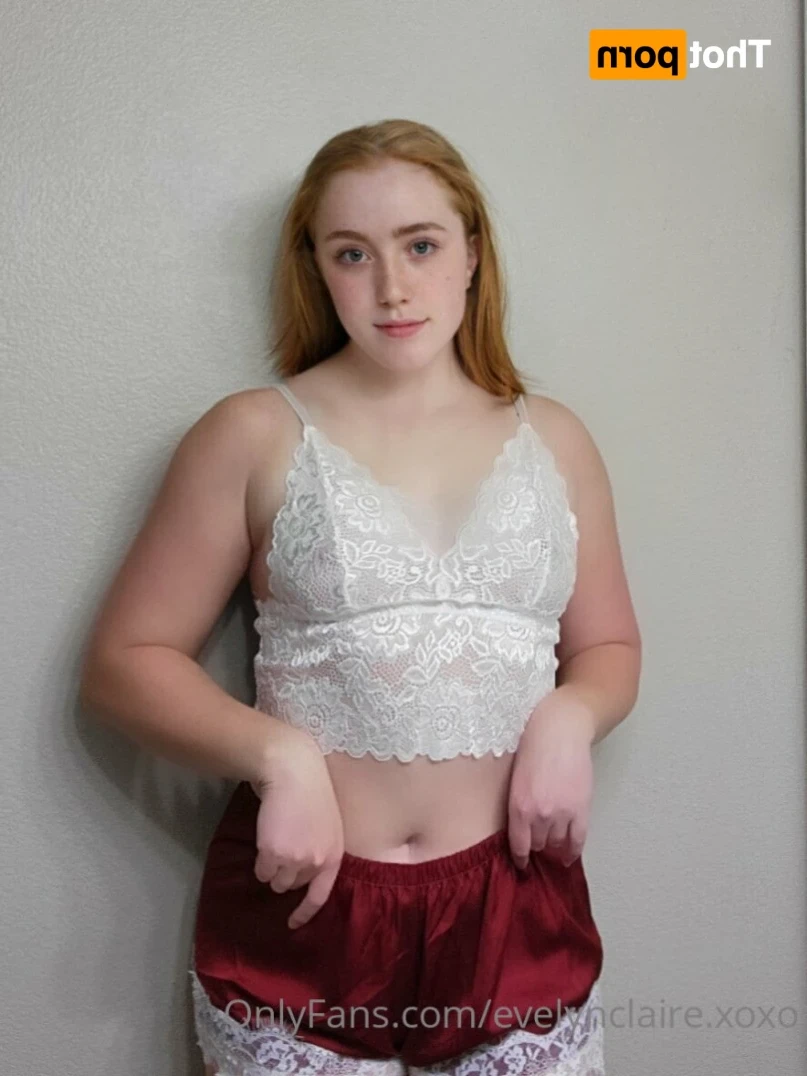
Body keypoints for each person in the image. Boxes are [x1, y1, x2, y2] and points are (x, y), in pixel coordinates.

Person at [80, 118, 641, 1076]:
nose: (391, 287)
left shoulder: (556, 440)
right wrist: (277, 757)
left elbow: (610, 648)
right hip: (307, 903)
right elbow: (123, 664)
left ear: (472, 253)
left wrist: (569, 717)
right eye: (352, 253)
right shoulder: (252, 434)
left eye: (420, 245)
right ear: (317, 268)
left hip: (513, 898)